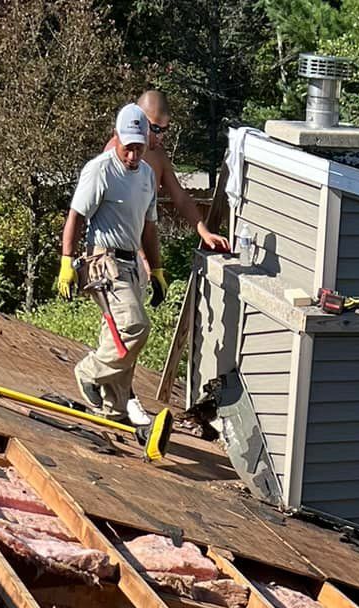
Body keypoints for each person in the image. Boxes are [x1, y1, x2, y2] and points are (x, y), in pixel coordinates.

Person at [59, 104, 164, 422]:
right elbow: (76, 217)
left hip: (132, 266)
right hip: (102, 261)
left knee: (117, 339)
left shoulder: (146, 175)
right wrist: (66, 261)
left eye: (139, 148)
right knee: (135, 327)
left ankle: (111, 411)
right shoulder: (100, 169)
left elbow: (149, 227)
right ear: (116, 137)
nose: (133, 156)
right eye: (127, 147)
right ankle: (88, 372)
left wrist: (157, 270)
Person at [124, 88, 232, 258]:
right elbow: (119, 212)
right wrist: (141, 256)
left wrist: (204, 232)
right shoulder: (117, 154)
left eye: (164, 129)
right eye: (155, 129)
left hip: (141, 247)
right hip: (115, 252)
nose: (161, 136)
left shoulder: (158, 155)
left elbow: (180, 197)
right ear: (139, 120)